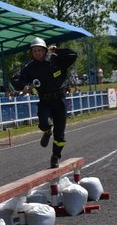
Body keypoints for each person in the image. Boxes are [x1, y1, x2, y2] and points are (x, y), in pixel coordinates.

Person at [12, 37, 78, 168]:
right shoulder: (29, 68)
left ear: (44, 50)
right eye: (34, 51)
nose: (37, 53)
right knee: (44, 123)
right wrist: (24, 86)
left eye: (39, 50)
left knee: (60, 135)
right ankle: (47, 131)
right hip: (45, 101)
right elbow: (16, 79)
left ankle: (55, 156)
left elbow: (73, 55)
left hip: (60, 101)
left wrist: (58, 50)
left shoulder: (56, 59)